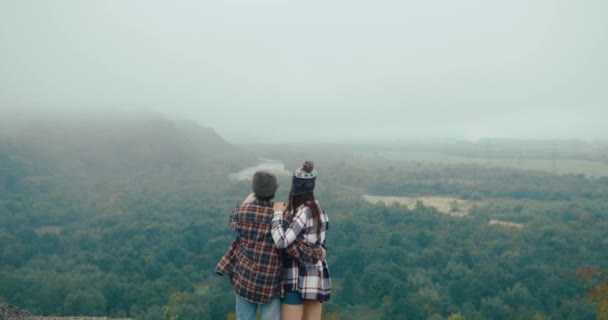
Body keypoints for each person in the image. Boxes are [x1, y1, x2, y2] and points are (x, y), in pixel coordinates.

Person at [215, 170, 325, 320]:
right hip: (270, 284)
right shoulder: (282, 216)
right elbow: (292, 247)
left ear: (254, 190)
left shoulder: (242, 212)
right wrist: (318, 253)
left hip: (244, 280)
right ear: (274, 191)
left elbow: (233, 219)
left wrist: (245, 202)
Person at [271, 161, 331, 320]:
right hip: (316, 276)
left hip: (296, 276)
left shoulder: (302, 212)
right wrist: (319, 252)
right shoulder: (320, 211)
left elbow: (281, 241)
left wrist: (277, 214)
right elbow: (322, 245)